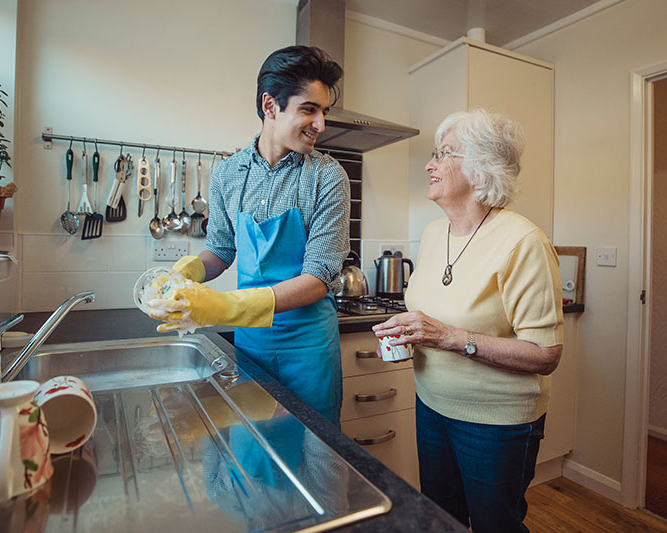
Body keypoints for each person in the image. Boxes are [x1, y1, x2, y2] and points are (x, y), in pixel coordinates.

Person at [372, 109, 563, 532]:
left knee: (498, 524)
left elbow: (545, 355)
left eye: (443, 154)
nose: (429, 164)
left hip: (496, 422)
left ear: (480, 169)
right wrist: (412, 332)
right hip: (432, 404)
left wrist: (450, 337)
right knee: (441, 519)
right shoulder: (433, 234)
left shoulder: (523, 242)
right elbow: (437, 312)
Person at [150, 45, 351, 425]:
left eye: (324, 111)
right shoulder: (228, 174)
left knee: (314, 457)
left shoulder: (327, 177)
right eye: (309, 109)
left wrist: (228, 307)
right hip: (252, 346)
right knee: (255, 452)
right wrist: (188, 271)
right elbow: (221, 250)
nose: (321, 124)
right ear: (270, 105)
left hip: (309, 349)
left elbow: (319, 278)